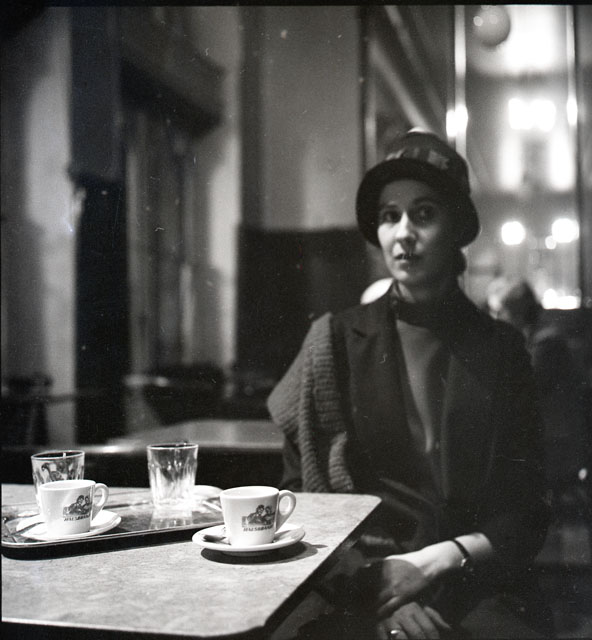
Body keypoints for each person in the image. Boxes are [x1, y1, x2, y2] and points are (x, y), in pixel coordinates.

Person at [267, 130, 553, 639]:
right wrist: (377, 590)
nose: (403, 233)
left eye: (423, 213)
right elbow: (299, 498)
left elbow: (525, 510)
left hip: (470, 580)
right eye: (389, 215)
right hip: (356, 578)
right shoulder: (333, 340)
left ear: (457, 227)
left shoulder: (502, 349)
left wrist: (432, 563)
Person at [487, 277, 590, 503]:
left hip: (555, 446)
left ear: (517, 312)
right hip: (551, 440)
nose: (496, 318)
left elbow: (520, 388)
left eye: (500, 311)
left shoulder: (547, 343)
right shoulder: (539, 336)